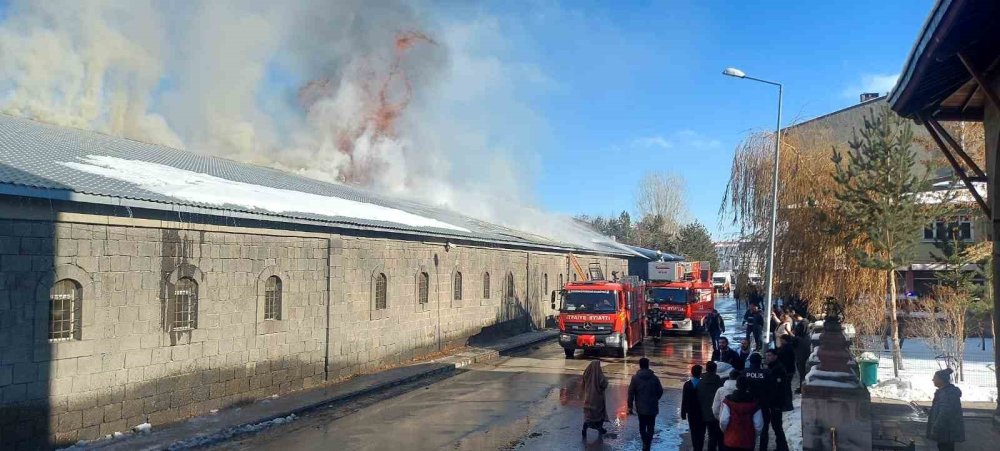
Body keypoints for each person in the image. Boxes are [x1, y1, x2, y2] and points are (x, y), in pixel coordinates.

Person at [628, 357, 664, 451]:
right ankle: (648, 444)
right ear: (648, 365)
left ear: (640, 365)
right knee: (651, 427)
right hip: (652, 407)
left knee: (642, 427)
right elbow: (660, 391)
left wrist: (630, 406)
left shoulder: (635, 378)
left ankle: (645, 442)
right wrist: (655, 399)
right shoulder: (654, 378)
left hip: (641, 408)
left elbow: (631, 393)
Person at [720, 376, 764, 451]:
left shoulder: (728, 401)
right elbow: (758, 425)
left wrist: (726, 432)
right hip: (747, 441)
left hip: (731, 440)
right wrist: (754, 435)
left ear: (736, 385)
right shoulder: (754, 403)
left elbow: (723, 420)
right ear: (748, 386)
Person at [760, 349, 793, 451]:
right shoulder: (773, 367)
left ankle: (782, 447)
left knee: (777, 426)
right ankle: (781, 446)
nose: (767, 358)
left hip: (776, 403)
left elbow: (777, 387)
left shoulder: (777, 369)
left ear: (775, 356)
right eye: (766, 356)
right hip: (774, 402)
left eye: (770, 355)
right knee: (776, 426)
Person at [927, 368, 965, 451]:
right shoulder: (945, 392)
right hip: (946, 431)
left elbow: (944, 413)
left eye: (935, 378)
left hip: (946, 431)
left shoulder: (946, 393)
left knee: (945, 448)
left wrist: (936, 427)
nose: (933, 379)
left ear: (941, 380)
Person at [696, 361, 724, 451]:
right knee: (717, 437)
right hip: (716, 414)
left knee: (706, 436)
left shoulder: (700, 382)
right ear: (715, 370)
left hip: (703, 413)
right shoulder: (718, 381)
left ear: (706, 369)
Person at [581, 360, 609, 438]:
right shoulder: (599, 375)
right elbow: (604, 384)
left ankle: (584, 429)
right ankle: (600, 428)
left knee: (588, 416)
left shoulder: (586, 373)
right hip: (597, 399)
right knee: (599, 415)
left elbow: (583, 383)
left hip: (588, 397)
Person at [682, 365, 706, 451]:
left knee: (693, 431)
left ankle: (696, 447)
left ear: (692, 373)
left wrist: (683, 413)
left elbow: (684, 399)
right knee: (702, 431)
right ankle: (699, 447)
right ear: (700, 373)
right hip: (702, 412)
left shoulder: (687, 384)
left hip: (691, 412)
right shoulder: (703, 384)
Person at [792, 312, 811, 389]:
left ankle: (802, 387)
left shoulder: (802, 324)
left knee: (801, 370)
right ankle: (801, 386)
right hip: (801, 353)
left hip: (801, 354)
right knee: (801, 370)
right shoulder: (805, 335)